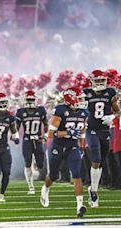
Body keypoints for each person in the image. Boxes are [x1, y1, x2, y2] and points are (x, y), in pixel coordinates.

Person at [40, 87, 88, 218]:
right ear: (70, 100)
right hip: (58, 146)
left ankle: (80, 206)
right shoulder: (60, 111)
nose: (82, 101)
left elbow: (82, 130)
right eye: (79, 98)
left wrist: (82, 146)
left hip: (73, 146)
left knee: (77, 174)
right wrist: (68, 132)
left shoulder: (83, 112)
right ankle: (46, 188)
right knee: (54, 176)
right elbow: (50, 134)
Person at [83, 70, 120, 208]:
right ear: (91, 81)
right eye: (97, 81)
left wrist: (112, 117)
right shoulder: (86, 94)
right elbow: (79, 110)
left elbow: (118, 110)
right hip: (91, 130)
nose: (99, 83)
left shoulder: (110, 93)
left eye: (101, 81)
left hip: (104, 131)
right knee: (96, 159)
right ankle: (94, 193)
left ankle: (93, 188)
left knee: (101, 161)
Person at [15, 90, 48, 194]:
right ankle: (31, 187)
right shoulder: (21, 112)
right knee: (27, 162)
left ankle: (42, 182)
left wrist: (46, 134)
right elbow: (16, 126)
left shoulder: (41, 110)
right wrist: (15, 135)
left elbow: (46, 124)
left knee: (41, 164)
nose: (30, 101)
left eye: (31, 99)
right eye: (28, 99)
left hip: (38, 140)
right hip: (27, 140)